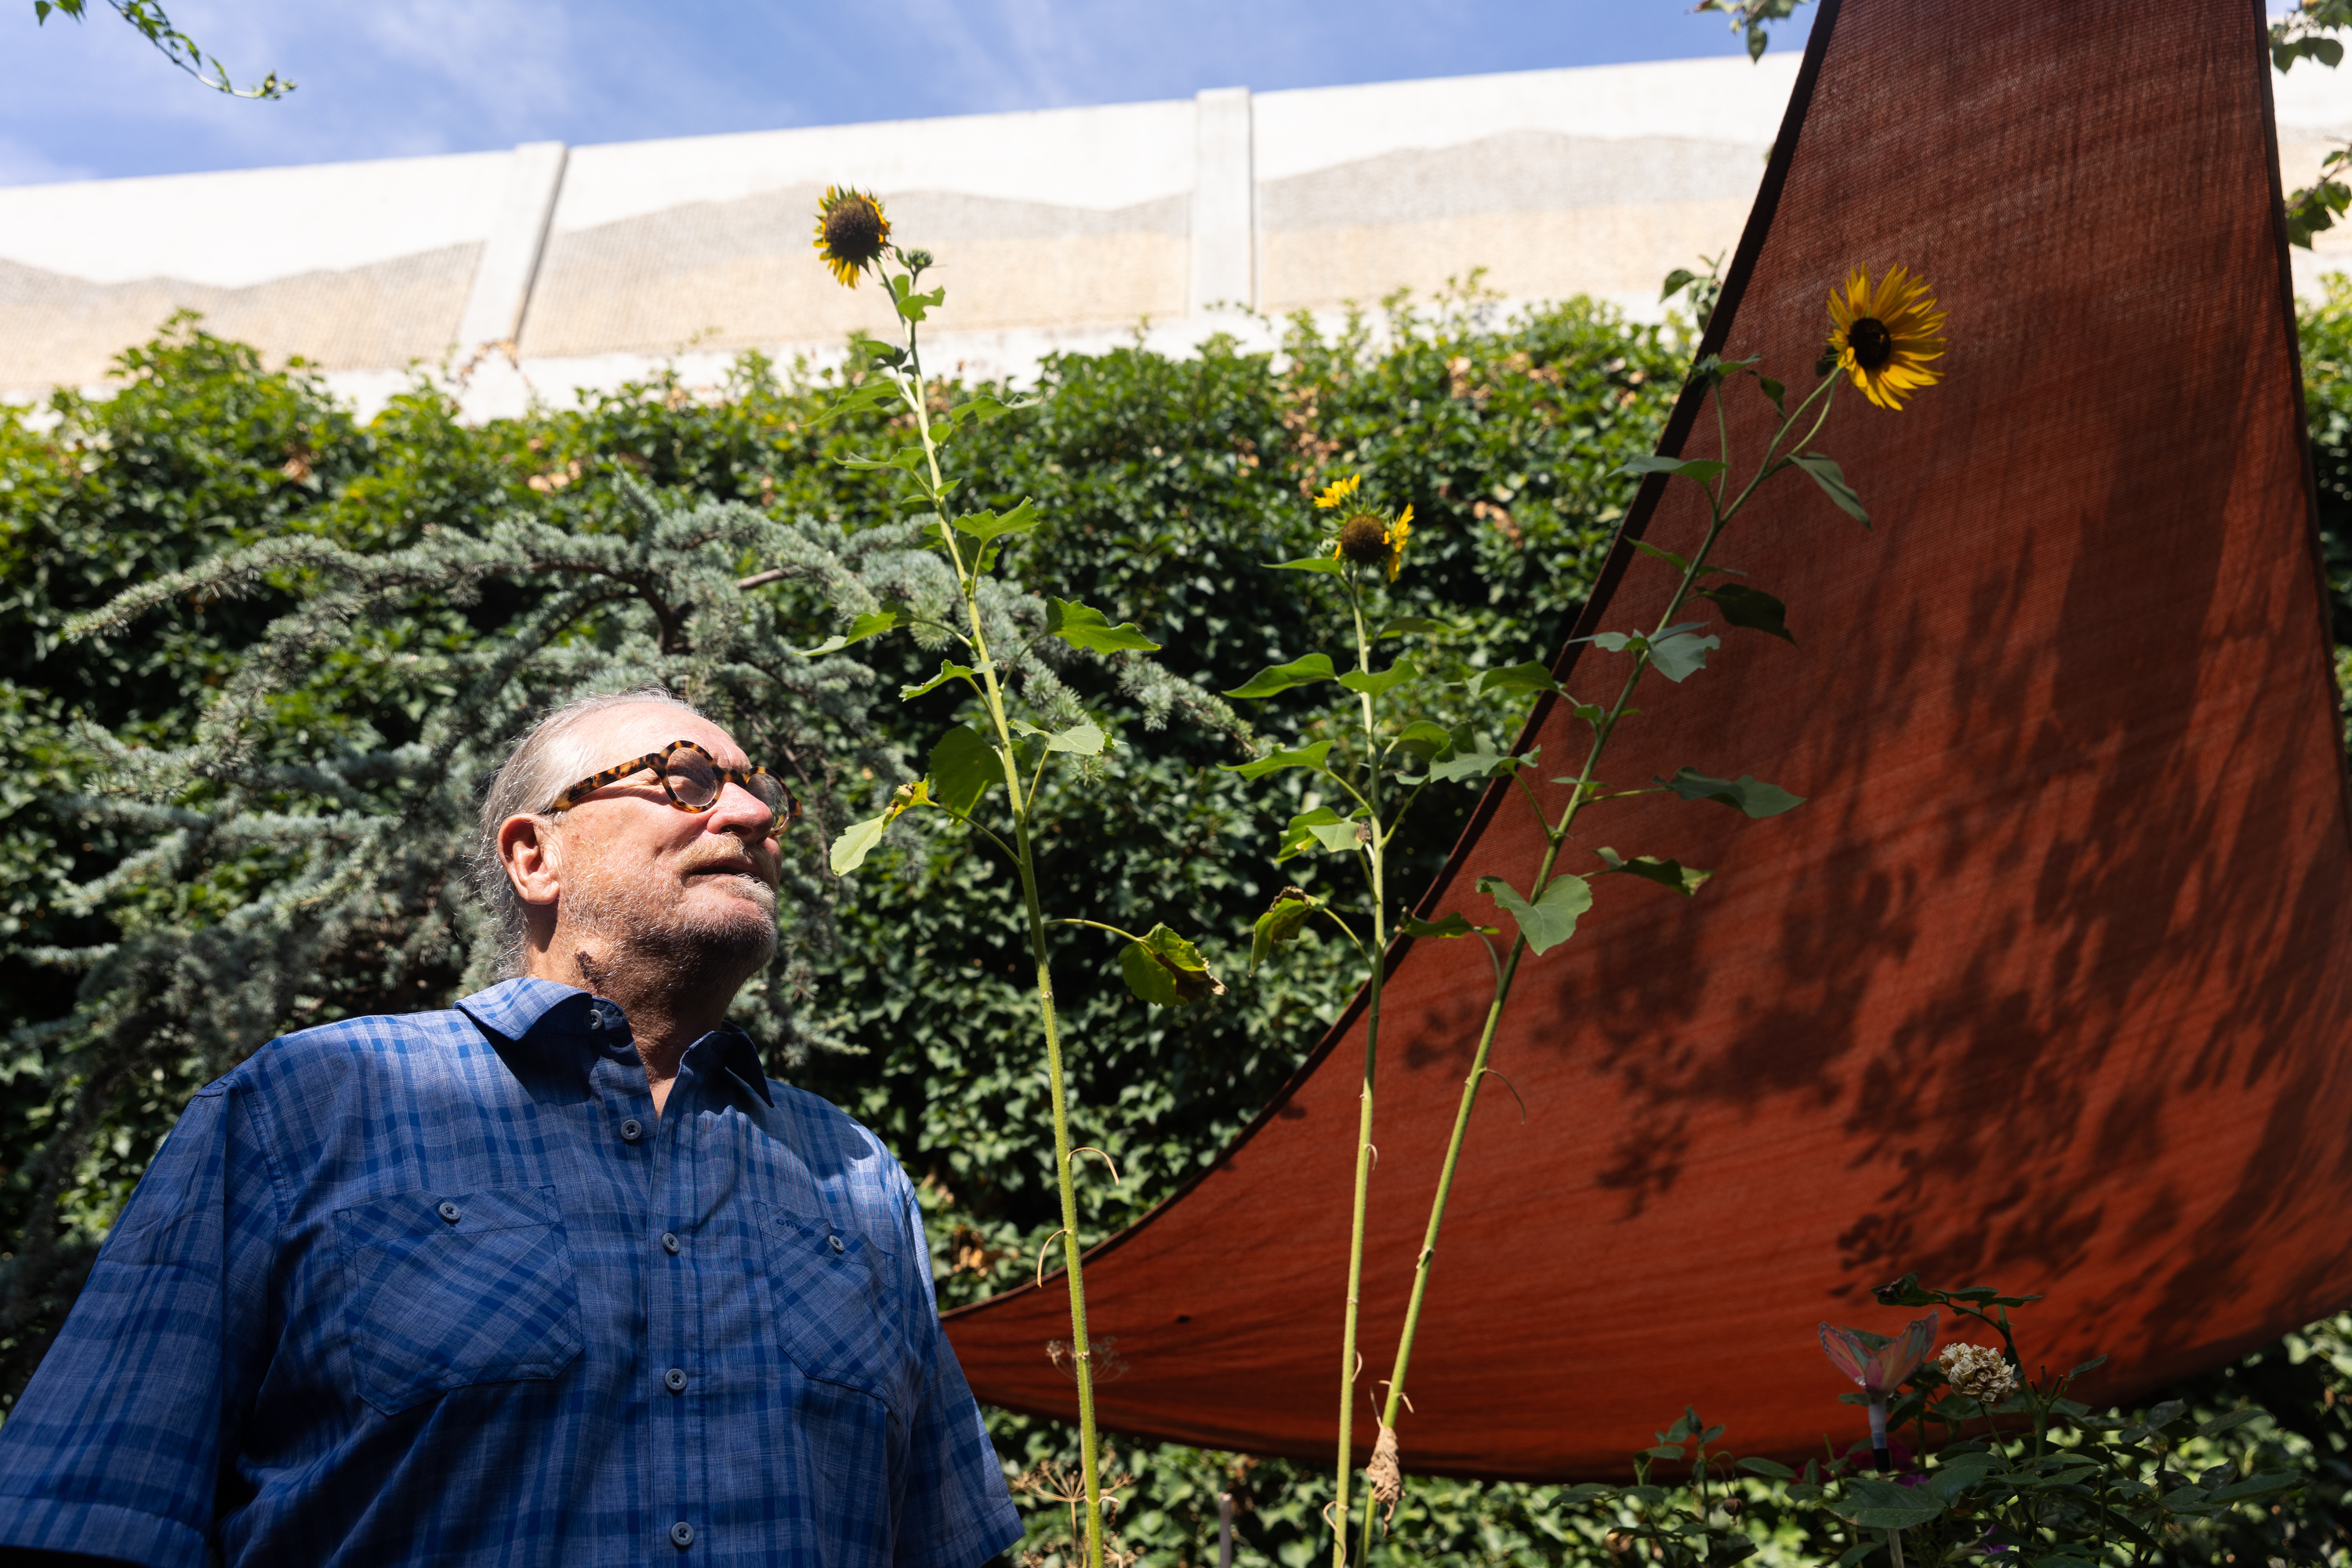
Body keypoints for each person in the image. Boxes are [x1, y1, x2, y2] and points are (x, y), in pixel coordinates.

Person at [0, 689, 1022, 1568]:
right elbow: (93, 1517)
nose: (755, 814)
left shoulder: (856, 1179)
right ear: (537, 855)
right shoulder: (306, 1111)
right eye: (687, 779)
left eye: (758, 790)